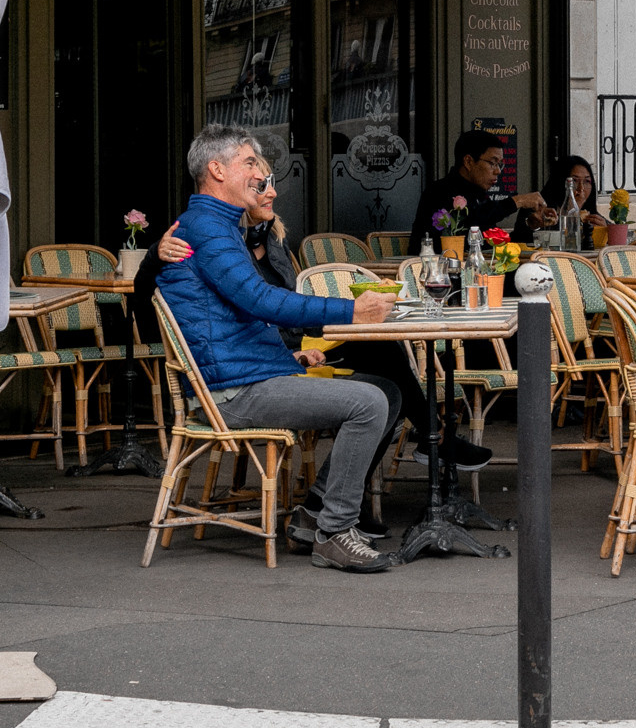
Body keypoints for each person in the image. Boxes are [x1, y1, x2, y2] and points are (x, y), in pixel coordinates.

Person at [144, 176, 492, 543]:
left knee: (386, 383)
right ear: (220, 175)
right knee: (374, 391)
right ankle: (338, 525)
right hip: (241, 380)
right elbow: (263, 304)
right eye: (259, 183)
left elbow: (264, 309)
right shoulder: (211, 239)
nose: (271, 192)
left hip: (276, 353)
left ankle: (321, 509)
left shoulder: (263, 240)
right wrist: (154, 252)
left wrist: (292, 348)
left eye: (268, 183)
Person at [156, 123, 401, 574]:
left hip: (250, 375)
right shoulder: (208, 227)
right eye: (249, 162)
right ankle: (334, 533)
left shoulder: (219, 224)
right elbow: (260, 300)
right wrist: (352, 313)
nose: (259, 174)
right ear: (216, 169)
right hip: (233, 393)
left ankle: (312, 518)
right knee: (368, 403)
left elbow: (234, 316)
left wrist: (287, 355)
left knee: (386, 391)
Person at [408, 129, 553, 248]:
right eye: (493, 163)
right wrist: (518, 201)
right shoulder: (439, 191)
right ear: (469, 161)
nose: (498, 171)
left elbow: (495, 243)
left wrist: (529, 224)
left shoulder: (479, 195)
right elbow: (473, 223)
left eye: (500, 164)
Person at [543, 154, 600, 249]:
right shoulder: (540, 211)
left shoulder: (591, 216)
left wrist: (606, 230)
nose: (581, 188)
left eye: (586, 181)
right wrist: (572, 211)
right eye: (574, 181)